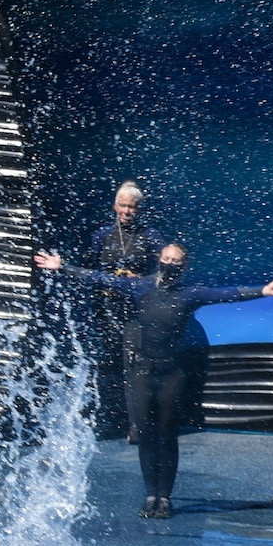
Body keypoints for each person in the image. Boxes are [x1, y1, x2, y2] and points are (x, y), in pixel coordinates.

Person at [34, 243, 273, 518]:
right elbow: (101, 278)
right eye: (166, 258)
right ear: (159, 261)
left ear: (183, 267)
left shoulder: (190, 294)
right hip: (143, 372)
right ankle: (150, 496)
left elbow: (227, 295)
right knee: (146, 435)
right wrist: (62, 267)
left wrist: (264, 291)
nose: (170, 264)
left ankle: (165, 498)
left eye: (176, 261)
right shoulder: (141, 289)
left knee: (167, 435)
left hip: (172, 374)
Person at [86, 180, 162, 441]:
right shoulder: (102, 236)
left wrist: (140, 280)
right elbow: (92, 271)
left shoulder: (150, 236)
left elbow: (163, 273)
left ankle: (137, 425)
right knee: (106, 364)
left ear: (139, 209)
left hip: (135, 311)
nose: (127, 211)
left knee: (133, 366)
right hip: (106, 309)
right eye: (122, 205)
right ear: (114, 206)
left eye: (132, 207)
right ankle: (106, 420)